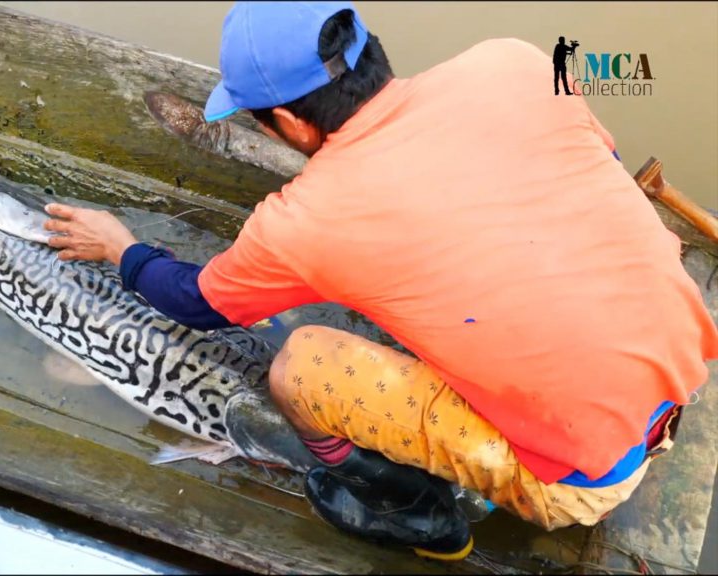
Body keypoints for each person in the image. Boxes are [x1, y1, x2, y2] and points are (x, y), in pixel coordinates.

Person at [43, 1, 718, 561]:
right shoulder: (513, 61)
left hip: (583, 477)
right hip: (681, 369)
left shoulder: (304, 221)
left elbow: (195, 302)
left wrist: (121, 248)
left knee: (300, 368)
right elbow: (602, 163)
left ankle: (414, 517)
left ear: (290, 125)